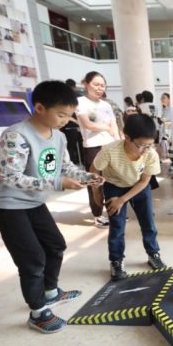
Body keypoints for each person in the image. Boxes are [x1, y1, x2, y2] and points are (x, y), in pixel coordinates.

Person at [0, 80, 102, 333]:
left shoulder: (58, 137)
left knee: (55, 245)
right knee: (32, 258)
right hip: (6, 204)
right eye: (60, 115)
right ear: (39, 108)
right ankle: (38, 312)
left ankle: (50, 291)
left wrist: (86, 176)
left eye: (69, 116)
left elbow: (64, 166)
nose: (65, 121)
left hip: (32, 201)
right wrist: (58, 183)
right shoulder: (16, 136)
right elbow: (11, 177)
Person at [90, 114, 166, 281]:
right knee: (117, 226)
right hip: (114, 186)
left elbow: (145, 181)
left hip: (139, 186)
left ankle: (153, 253)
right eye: (141, 145)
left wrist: (122, 200)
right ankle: (116, 261)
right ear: (127, 137)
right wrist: (97, 193)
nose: (145, 150)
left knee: (148, 222)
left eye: (149, 145)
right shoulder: (109, 151)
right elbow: (94, 170)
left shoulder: (150, 154)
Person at [76, 71, 119, 228]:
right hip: (93, 146)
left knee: (112, 181)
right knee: (95, 182)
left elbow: (114, 124)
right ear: (86, 84)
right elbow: (88, 124)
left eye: (102, 85)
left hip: (110, 145)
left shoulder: (106, 105)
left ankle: (113, 211)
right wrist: (106, 127)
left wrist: (117, 141)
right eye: (96, 84)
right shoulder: (80, 102)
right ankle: (97, 215)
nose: (100, 88)